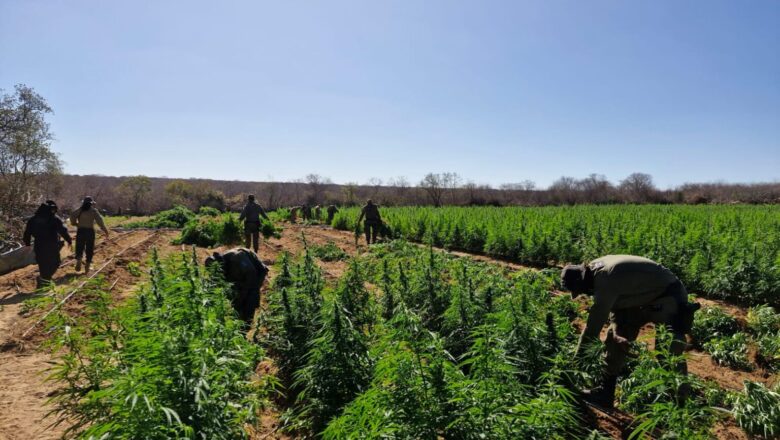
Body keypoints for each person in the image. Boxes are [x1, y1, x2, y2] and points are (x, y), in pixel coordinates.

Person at [561, 255, 699, 408]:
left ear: (583, 283)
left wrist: (574, 365)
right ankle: (605, 393)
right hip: (639, 297)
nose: (587, 294)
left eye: (582, 291)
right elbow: (617, 308)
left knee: (668, 350)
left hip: (667, 295)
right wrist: (617, 332)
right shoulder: (594, 271)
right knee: (615, 337)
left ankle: (680, 405)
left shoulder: (604, 279)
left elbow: (592, 328)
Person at [205, 248, 268, 329]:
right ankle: (238, 324)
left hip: (256, 273)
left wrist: (243, 295)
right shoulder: (218, 269)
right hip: (240, 278)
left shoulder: (237, 257)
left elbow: (251, 274)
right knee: (236, 302)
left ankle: (245, 328)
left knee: (249, 300)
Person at [23, 201, 72, 289]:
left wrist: (27, 244)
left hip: (39, 245)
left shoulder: (33, 219)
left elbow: (27, 233)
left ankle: (43, 281)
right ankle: (44, 282)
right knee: (55, 263)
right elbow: (62, 230)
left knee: (43, 264)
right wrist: (69, 240)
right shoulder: (54, 219)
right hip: (51, 245)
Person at [69, 196, 109, 274]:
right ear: (91, 204)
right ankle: (87, 265)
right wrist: (105, 231)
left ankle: (79, 259)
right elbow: (100, 221)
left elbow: (72, 216)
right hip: (90, 231)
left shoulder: (80, 210)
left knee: (79, 246)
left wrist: (75, 223)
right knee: (89, 248)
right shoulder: (94, 211)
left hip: (81, 231)